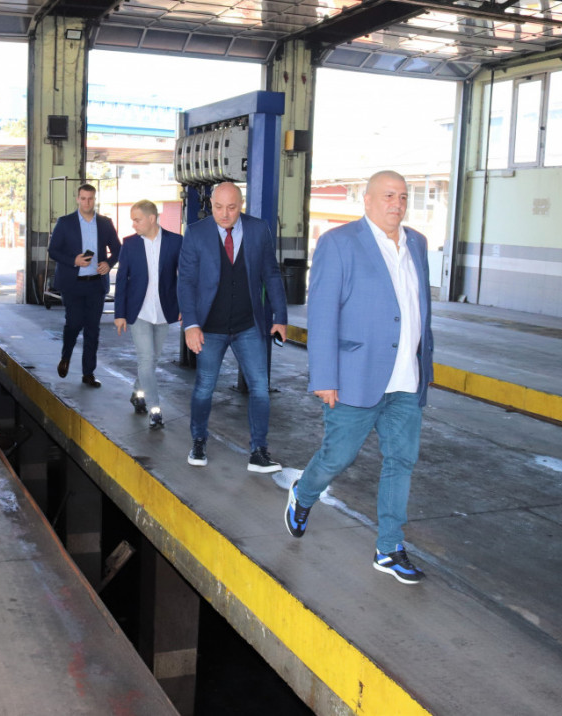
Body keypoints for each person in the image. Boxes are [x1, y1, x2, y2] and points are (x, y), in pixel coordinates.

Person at [284, 170, 434, 585]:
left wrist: (425, 364)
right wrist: (324, 376)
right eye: (388, 195)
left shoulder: (417, 244)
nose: (397, 204)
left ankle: (389, 548)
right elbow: (322, 312)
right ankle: (303, 493)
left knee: (401, 460)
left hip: (406, 378)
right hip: (355, 376)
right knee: (338, 457)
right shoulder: (339, 243)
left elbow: (420, 309)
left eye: (403, 197)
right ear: (366, 200)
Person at [178, 182, 287, 472]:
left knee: (260, 388)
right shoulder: (196, 233)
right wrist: (191, 324)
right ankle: (198, 441)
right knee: (204, 388)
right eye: (218, 207)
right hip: (209, 328)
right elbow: (186, 281)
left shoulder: (258, 229)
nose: (224, 214)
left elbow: (271, 274)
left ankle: (259, 451)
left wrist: (280, 317)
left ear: (241, 205)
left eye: (231, 207)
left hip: (248, 325)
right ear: (211, 205)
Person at [113, 200, 182, 429]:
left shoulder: (175, 242)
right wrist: (120, 313)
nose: (133, 224)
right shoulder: (130, 244)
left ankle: (137, 392)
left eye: (137, 220)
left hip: (164, 310)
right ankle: (155, 410)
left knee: (152, 360)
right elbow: (122, 280)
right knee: (146, 359)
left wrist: (184, 306)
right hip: (138, 311)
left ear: (151, 219)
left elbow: (184, 277)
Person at [48, 183, 120, 388]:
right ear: (77, 199)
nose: (87, 202)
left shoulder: (105, 223)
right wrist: (74, 260)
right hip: (73, 284)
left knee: (92, 330)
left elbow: (117, 248)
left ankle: (88, 373)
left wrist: (109, 263)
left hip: (96, 285)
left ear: (94, 199)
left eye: (90, 199)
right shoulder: (65, 222)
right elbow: (53, 251)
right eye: (83, 198)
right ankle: (66, 356)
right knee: (74, 323)